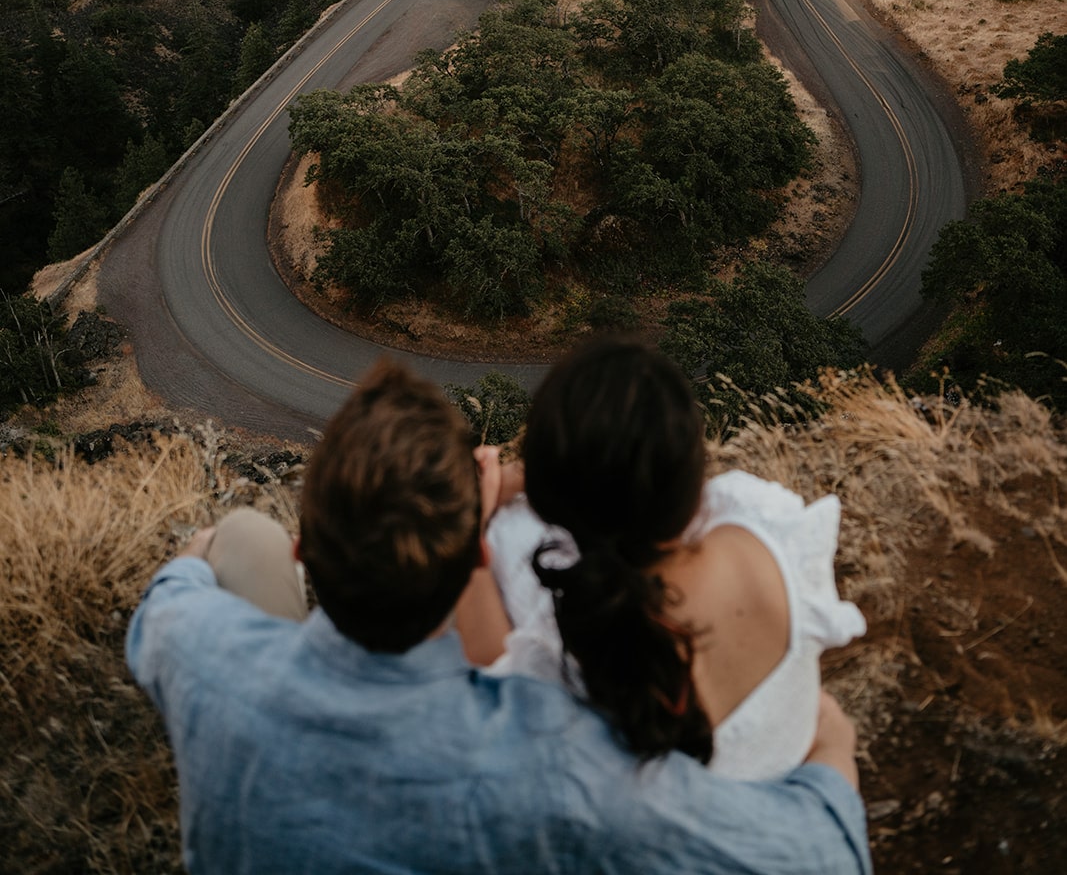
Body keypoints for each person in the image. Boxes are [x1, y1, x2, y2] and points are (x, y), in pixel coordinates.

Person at [127, 358, 872, 875]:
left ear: (305, 552)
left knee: (233, 538)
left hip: (258, 672)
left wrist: (194, 558)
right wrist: (829, 757)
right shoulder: (556, 760)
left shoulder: (197, 646)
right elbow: (822, 856)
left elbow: (166, 603)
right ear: (476, 563)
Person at [474, 337, 866, 780]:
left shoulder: (560, 645)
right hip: (796, 802)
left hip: (701, 836)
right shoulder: (770, 532)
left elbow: (488, 674)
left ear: (552, 511)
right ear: (695, 479)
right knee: (830, 719)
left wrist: (474, 517)